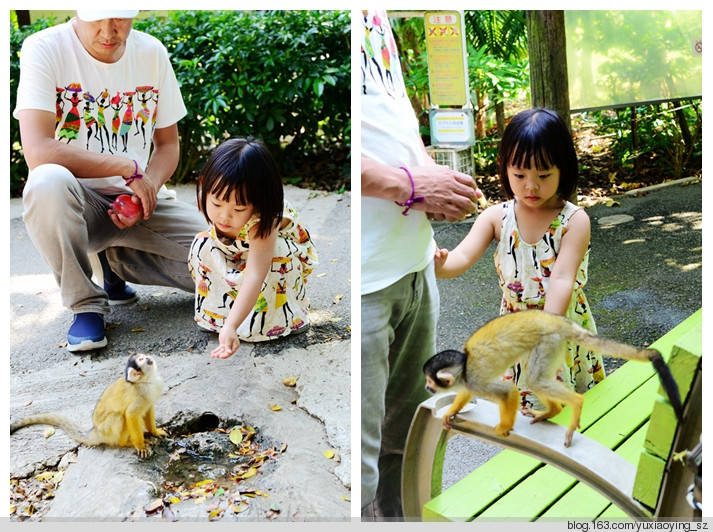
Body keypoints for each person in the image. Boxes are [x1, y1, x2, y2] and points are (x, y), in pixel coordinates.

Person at [13, 10, 207, 352]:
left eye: (120, 18)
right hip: (76, 204)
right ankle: (85, 303)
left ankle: (115, 263)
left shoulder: (152, 52)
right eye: (96, 18)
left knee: (224, 263)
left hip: (137, 204)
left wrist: (146, 186)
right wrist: (123, 165)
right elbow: (38, 151)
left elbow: (168, 145)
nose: (109, 31)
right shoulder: (42, 47)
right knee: (46, 182)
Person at [360, 10, 479, 520]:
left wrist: (429, 178)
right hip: (365, 279)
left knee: (409, 434)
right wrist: (410, 185)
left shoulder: (376, 16)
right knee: (362, 458)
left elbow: (389, 126)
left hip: (414, 261)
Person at [434, 107, 606, 411]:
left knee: (565, 404)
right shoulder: (496, 218)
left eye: (543, 175)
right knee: (523, 407)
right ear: (504, 168)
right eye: (520, 174)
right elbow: (460, 256)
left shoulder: (573, 221)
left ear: (563, 169)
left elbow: (563, 278)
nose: (531, 186)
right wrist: (439, 264)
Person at [188, 137, 317, 359]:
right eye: (217, 204)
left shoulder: (263, 220)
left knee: (277, 256)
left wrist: (232, 326)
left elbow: (256, 274)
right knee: (202, 244)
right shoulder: (208, 198)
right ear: (205, 186)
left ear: (258, 201)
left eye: (238, 209)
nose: (224, 216)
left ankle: (279, 320)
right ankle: (219, 317)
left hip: (273, 260)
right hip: (240, 250)